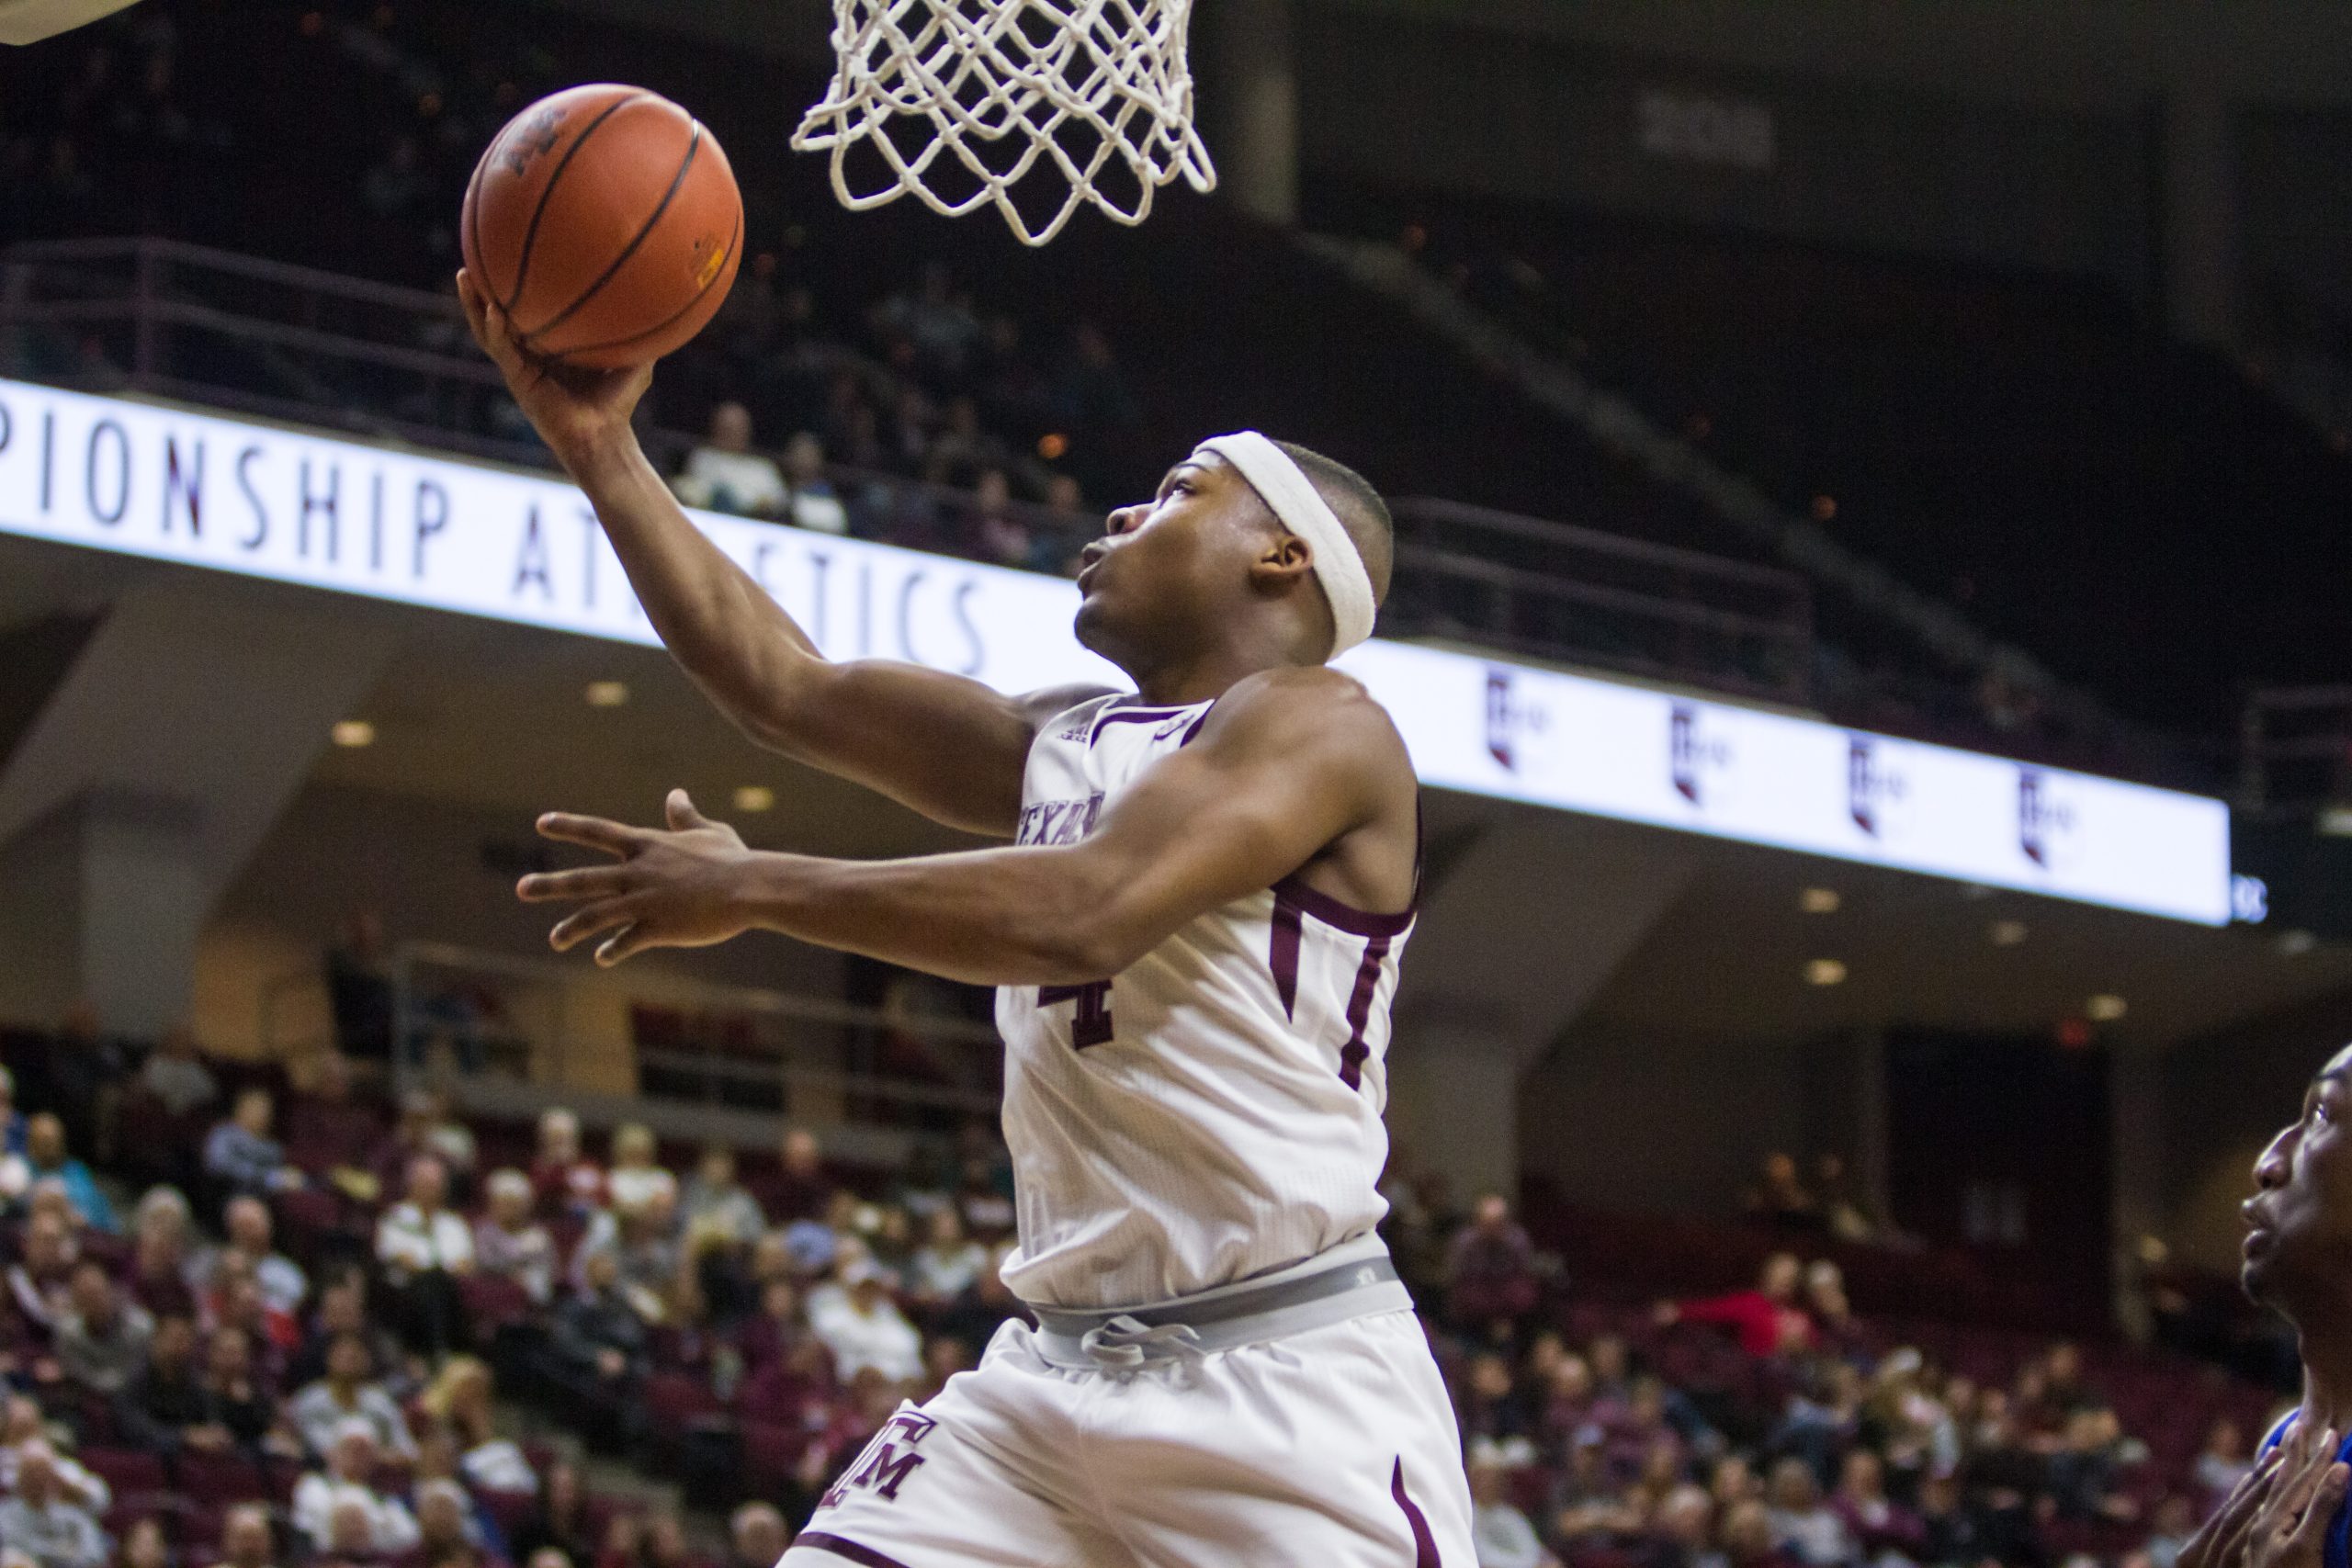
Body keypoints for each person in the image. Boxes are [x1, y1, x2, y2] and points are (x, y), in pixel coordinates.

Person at [460, 270, 1469, 1566]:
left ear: (1285, 555)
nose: (1124, 509)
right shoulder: (1067, 740)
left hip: (1285, 1387)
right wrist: (600, 450)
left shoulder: (1323, 723)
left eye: (1178, 493)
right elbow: (784, 684)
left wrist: (754, 883)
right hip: (1047, 1386)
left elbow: (1087, 912)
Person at [375, 1155, 472, 1353]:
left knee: (438, 1284)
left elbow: (465, 1265)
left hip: (448, 1294)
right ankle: (438, 1351)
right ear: (412, 1185)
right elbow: (403, 1260)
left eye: (437, 1185)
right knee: (430, 1282)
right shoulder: (394, 1218)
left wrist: (437, 1270)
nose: (432, 1190)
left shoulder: (454, 1223)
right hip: (404, 1295)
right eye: (426, 1184)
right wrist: (440, 1269)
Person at [290, 1421, 419, 1556]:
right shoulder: (314, 1486)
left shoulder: (383, 1499)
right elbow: (317, 1532)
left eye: (365, 1450)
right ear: (332, 1452)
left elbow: (409, 1536)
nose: (358, 1455)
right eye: (351, 1447)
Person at [0, 1443, 107, 1568]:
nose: (37, 1478)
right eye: (30, 1472)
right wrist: (65, 1552)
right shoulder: (4, 1516)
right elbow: (16, 1553)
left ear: (55, 1476)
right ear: (19, 1477)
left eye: (43, 1471)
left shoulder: (75, 1516)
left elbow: (94, 1556)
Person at [673, 402, 786, 519]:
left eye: (736, 429)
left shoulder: (763, 468)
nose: (730, 434)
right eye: (725, 428)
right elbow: (691, 493)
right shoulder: (702, 459)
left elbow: (777, 502)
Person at [23, 1119, 111, 1234]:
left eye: (55, 1140)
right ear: (32, 1144)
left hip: (79, 1236)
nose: (50, 1146)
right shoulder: (23, 1171)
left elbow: (92, 1212)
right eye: (44, 1141)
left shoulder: (77, 1172)